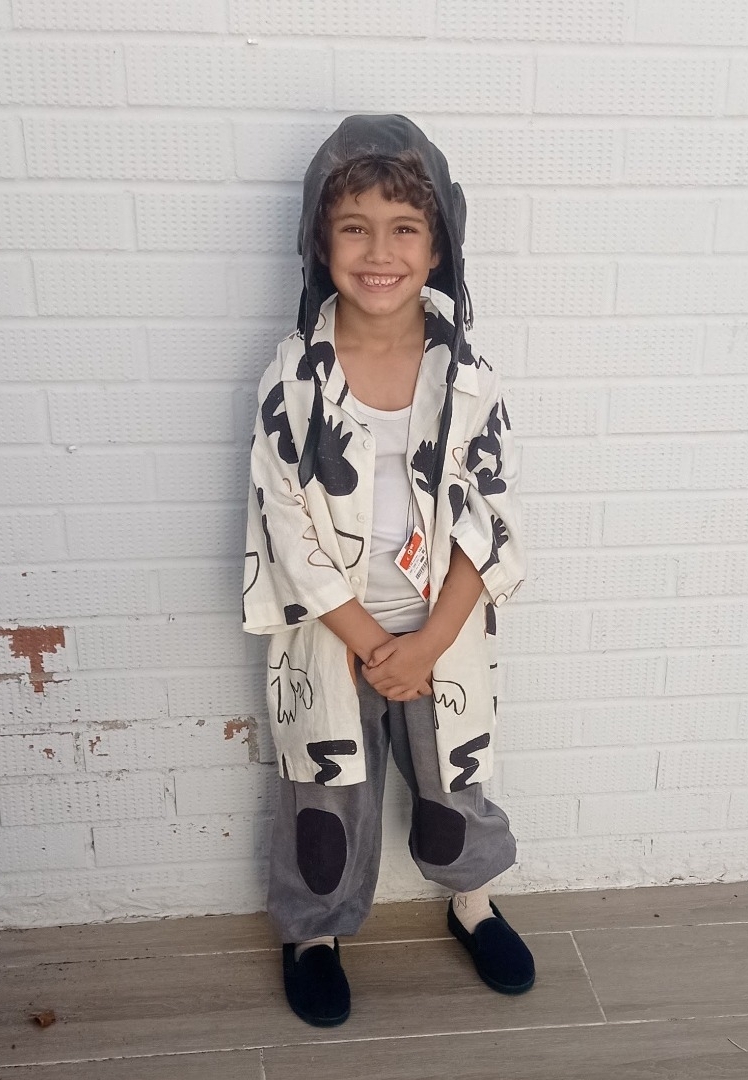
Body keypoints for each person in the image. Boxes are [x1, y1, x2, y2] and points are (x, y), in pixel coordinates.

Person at [243, 113, 533, 1027]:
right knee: (324, 794)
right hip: (331, 633)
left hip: (441, 631)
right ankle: (315, 932)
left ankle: (472, 901)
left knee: (454, 778)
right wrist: (372, 643)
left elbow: (490, 517)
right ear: (319, 241)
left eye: (405, 228)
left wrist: (428, 643)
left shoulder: (470, 375)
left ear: (439, 245)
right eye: (354, 227)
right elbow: (286, 526)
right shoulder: (293, 379)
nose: (379, 252)